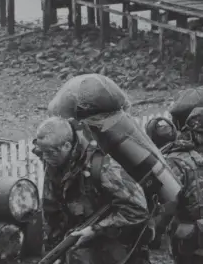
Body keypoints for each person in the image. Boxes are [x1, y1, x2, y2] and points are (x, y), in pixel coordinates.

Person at [35, 117, 151, 264]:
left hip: (115, 249)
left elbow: (138, 210)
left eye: (50, 152)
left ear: (66, 146)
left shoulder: (102, 168)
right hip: (79, 249)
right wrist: (54, 250)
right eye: (42, 152)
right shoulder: (54, 166)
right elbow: (51, 211)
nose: (45, 157)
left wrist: (96, 229)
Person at [155, 108, 203, 264]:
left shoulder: (173, 159)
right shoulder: (191, 156)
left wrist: (156, 233)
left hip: (190, 237)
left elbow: (169, 202)